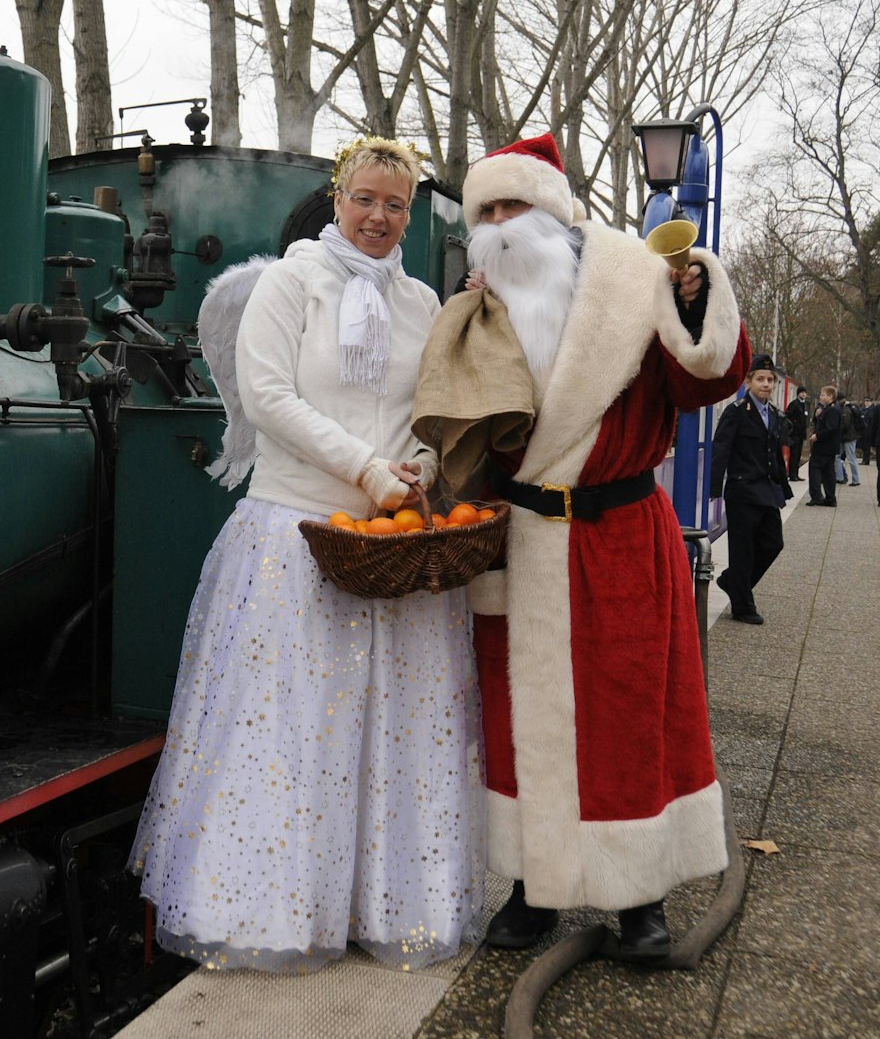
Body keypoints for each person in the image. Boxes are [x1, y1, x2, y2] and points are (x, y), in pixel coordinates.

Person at [130, 137, 484, 972]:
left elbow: (429, 414)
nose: (379, 217)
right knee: (288, 733)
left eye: (395, 206)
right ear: (338, 197)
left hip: (389, 551)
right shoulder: (289, 281)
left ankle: (383, 903)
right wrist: (366, 468)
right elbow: (268, 397)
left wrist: (420, 470)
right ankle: (275, 914)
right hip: (293, 535)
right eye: (365, 199)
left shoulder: (422, 303)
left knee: (389, 734)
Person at [412, 133, 746, 961]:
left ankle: (640, 897)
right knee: (523, 723)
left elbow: (705, 377)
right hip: (520, 541)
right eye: (485, 209)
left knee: (628, 719)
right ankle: (535, 888)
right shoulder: (476, 310)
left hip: (620, 539)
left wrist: (696, 301)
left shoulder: (636, 280)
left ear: (554, 212)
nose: (497, 224)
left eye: (512, 205)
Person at [711, 354, 794, 623]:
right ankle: (743, 606)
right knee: (743, 550)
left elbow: (774, 453)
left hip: (767, 490)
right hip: (742, 490)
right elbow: (721, 449)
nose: (766, 384)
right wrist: (715, 487)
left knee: (773, 544)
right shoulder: (736, 412)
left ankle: (733, 582)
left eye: (770, 380)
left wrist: (784, 486)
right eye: (760, 379)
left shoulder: (774, 414)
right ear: (748, 382)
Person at [806, 385, 841, 506]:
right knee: (828, 472)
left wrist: (817, 436)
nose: (820, 397)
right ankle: (830, 498)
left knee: (815, 468)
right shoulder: (830, 409)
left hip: (823, 446)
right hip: (829, 448)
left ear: (830, 396)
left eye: (823, 395)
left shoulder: (832, 410)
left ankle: (816, 496)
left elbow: (830, 428)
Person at [783, 386, 809, 481]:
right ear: (798, 394)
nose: (803, 394)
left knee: (798, 454)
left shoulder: (804, 405)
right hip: (794, 434)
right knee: (794, 454)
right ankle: (792, 474)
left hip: (801, 434)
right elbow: (787, 416)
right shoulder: (794, 404)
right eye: (801, 393)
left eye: (804, 393)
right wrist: (793, 425)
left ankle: (796, 473)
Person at [837, 394, 862, 487]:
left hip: (848, 437)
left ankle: (855, 479)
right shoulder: (850, 408)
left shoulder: (846, 410)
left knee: (850, 458)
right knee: (839, 456)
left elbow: (845, 425)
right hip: (848, 437)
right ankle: (840, 477)